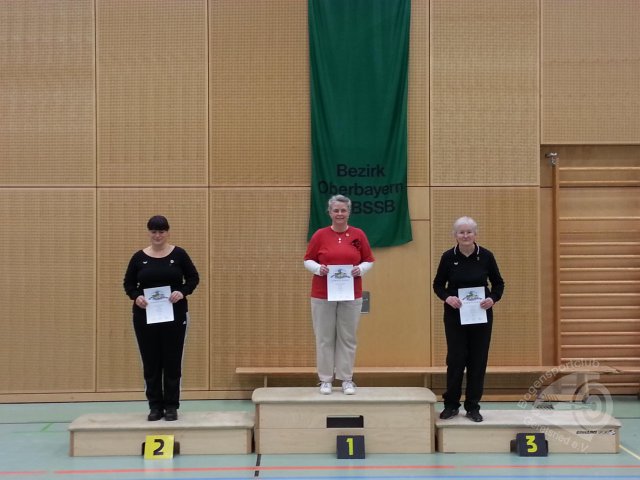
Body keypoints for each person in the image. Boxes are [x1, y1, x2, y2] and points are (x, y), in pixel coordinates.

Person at [123, 215, 199, 421]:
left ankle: (172, 406)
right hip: (145, 317)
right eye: (154, 232)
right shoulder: (138, 257)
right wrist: (136, 296)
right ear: (149, 233)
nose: (158, 235)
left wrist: (182, 292)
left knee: (172, 361)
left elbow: (193, 278)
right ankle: (155, 406)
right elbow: (128, 283)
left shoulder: (179, 254)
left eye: (161, 232)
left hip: (175, 316)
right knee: (151, 362)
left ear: (167, 232)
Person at [432, 216, 504, 422]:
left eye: (469, 232)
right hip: (455, 317)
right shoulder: (448, 257)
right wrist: (448, 298)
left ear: (475, 234)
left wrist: (492, 298)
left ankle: (473, 406)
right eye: (461, 232)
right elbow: (438, 285)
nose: (465, 235)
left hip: (481, 317)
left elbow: (498, 284)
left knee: (478, 361)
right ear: (455, 235)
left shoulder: (486, 256)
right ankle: (451, 405)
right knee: (456, 360)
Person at [304, 195, 375, 395]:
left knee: (347, 337)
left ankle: (346, 379)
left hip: (351, 294)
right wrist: (318, 269)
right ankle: (325, 379)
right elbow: (307, 260)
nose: (340, 214)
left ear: (349, 212)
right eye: (336, 210)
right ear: (330, 212)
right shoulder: (320, 235)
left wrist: (360, 269)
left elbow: (369, 260)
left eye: (343, 210)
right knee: (324, 338)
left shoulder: (358, 235)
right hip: (322, 295)